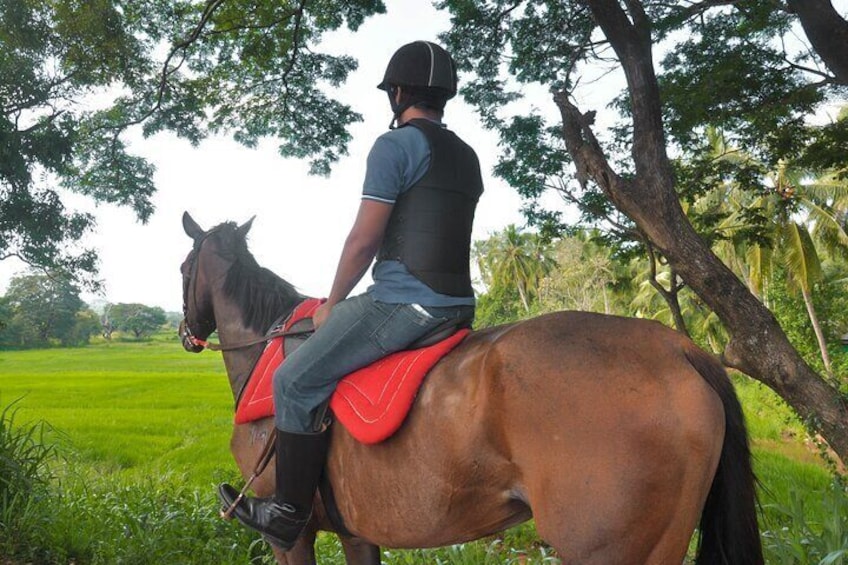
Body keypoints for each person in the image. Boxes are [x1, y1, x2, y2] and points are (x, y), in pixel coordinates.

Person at [218, 40, 484, 550]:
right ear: (444, 95)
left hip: (403, 305)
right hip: (456, 306)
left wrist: (332, 303)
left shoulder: (395, 146)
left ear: (398, 92)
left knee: (294, 379)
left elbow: (364, 240)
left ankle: (288, 511)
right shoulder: (466, 155)